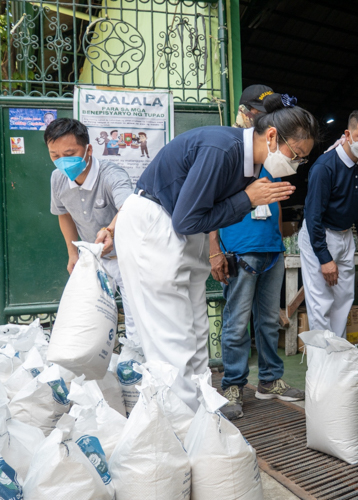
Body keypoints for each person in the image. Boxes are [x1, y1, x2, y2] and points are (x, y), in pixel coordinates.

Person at [105, 93, 318, 411]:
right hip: (155, 226)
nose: (297, 165)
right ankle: (184, 419)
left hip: (183, 234)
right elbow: (188, 218)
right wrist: (247, 200)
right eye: (297, 155)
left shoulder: (250, 164)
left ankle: (204, 402)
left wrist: (248, 199)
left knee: (195, 324)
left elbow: (205, 214)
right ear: (272, 135)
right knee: (170, 331)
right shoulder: (223, 148)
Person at [208, 85, 304, 419]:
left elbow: (276, 201)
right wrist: (214, 251)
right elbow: (210, 205)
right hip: (239, 249)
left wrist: (279, 241)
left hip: (271, 249)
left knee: (266, 321)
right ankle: (233, 385)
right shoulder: (229, 151)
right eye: (260, 115)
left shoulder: (274, 152)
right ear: (245, 113)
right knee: (236, 324)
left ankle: (269, 381)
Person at [45, 118, 136, 340]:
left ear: (88, 149)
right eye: (55, 156)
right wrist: (72, 252)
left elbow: (128, 208)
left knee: (135, 321)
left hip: (127, 258)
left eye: (69, 154)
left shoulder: (111, 175)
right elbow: (63, 214)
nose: (62, 162)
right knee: (88, 321)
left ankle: (137, 366)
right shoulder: (58, 179)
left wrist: (111, 231)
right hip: (93, 259)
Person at [298, 110, 358, 337]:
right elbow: (313, 215)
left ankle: (339, 359)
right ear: (348, 134)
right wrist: (324, 258)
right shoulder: (325, 167)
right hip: (320, 234)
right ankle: (323, 366)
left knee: (343, 300)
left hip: (345, 235)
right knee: (321, 302)